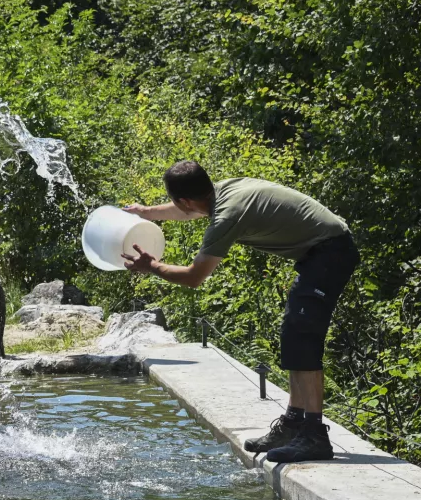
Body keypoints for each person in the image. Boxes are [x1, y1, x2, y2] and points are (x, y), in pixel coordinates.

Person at [122, 161, 359, 463]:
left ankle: (314, 436)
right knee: (293, 335)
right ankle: (294, 423)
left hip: (331, 251)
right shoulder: (222, 190)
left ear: (185, 200)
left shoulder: (226, 216)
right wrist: (144, 212)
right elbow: (181, 209)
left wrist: (152, 266)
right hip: (325, 250)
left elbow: (194, 276)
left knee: (302, 335)